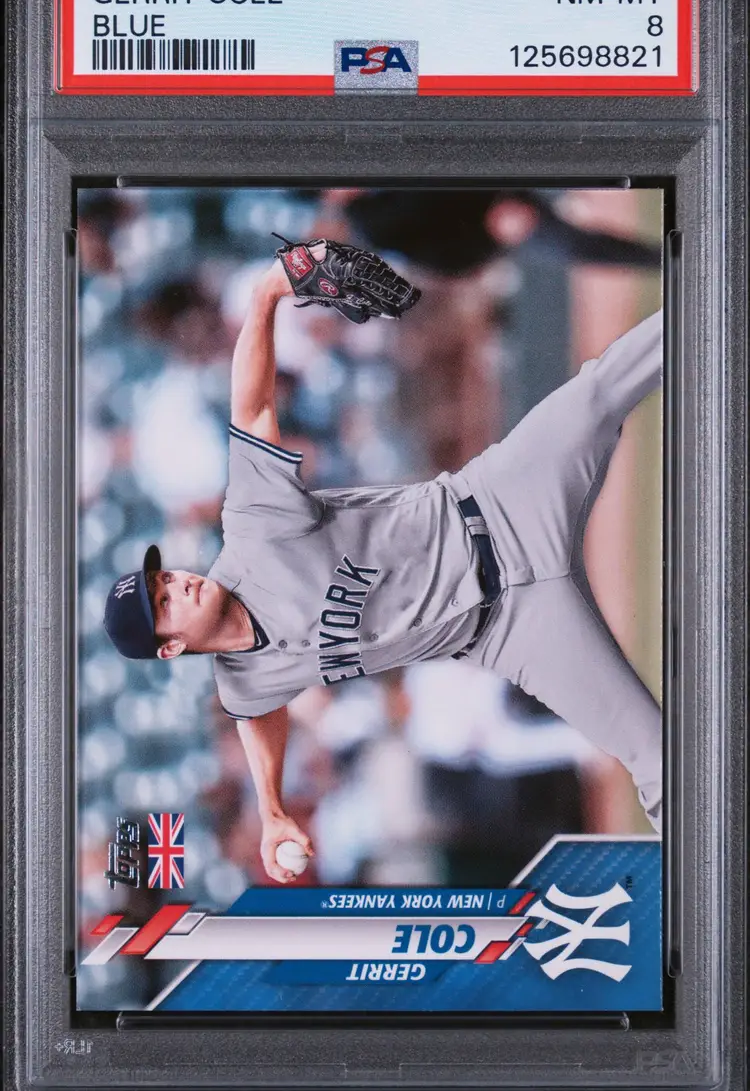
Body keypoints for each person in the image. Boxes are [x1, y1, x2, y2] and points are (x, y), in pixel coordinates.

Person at [104, 245, 663, 883]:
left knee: (598, 391)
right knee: (655, 759)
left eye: (165, 578)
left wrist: (265, 296)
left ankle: (719, 294)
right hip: (513, 632)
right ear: (172, 647)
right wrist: (272, 808)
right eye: (164, 602)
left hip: (499, 504)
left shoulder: (254, 531)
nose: (177, 584)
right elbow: (257, 711)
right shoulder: (244, 681)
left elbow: (251, 411)